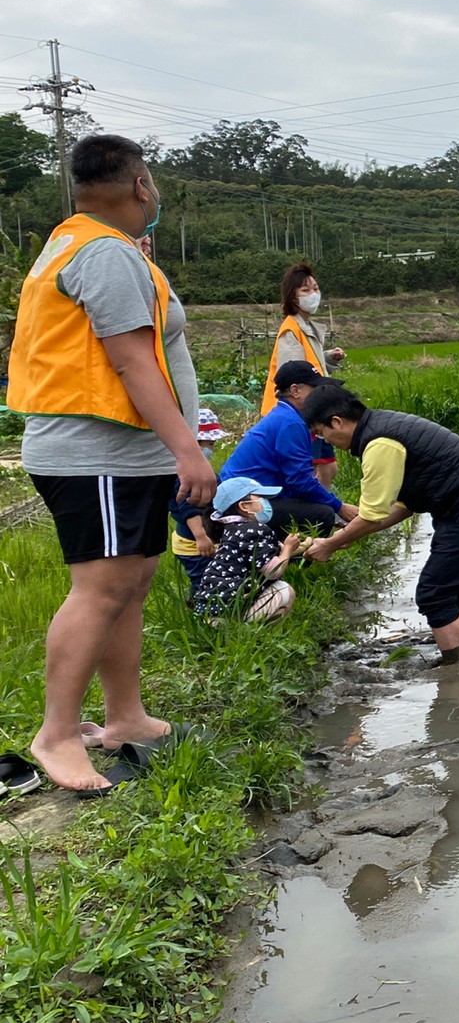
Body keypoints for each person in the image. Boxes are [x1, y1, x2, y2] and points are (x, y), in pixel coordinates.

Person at [7, 133, 214, 793]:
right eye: (151, 184)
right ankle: (57, 735)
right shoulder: (103, 253)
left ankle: (126, 715)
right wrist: (189, 449)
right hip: (98, 455)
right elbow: (130, 359)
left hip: (125, 455)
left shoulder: (88, 244)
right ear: (140, 187)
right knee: (100, 591)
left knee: (129, 583)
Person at [300, 385, 459, 665]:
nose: (323, 439)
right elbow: (403, 505)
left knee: (434, 593)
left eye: (320, 431)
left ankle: (455, 675)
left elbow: (372, 514)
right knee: (450, 589)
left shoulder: (379, 443)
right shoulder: (382, 426)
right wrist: (349, 535)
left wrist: (330, 544)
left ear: (336, 422)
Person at [221, 361, 358, 537]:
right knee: (322, 514)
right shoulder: (291, 423)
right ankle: (293, 558)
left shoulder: (286, 416)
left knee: (318, 508)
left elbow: (297, 480)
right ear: (295, 391)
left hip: (246, 494)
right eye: (314, 388)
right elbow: (300, 481)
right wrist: (340, 507)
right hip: (243, 502)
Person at [262, 263, 345, 487]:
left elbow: (309, 364)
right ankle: (314, 513)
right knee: (310, 468)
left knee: (327, 467)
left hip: (311, 410)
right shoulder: (291, 330)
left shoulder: (305, 326)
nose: (313, 295)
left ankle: (321, 511)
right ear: (293, 297)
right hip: (299, 412)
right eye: (305, 290)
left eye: (315, 288)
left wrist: (328, 358)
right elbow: (291, 376)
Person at [192, 477, 302, 621]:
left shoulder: (231, 530)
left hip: (212, 608)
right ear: (244, 506)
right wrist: (288, 549)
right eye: (260, 498)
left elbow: (260, 552)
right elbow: (272, 571)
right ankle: (248, 629)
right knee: (284, 589)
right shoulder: (256, 530)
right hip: (231, 611)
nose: (265, 503)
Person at [170, 408, 232, 596]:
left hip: (201, 538)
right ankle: (204, 611)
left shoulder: (200, 470)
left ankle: (199, 602)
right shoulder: (187, 476)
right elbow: (189, 508)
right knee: (204, 579)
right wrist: (200, 537)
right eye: (210, 444)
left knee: (209, 574)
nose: (211, 449)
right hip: (193, 542)